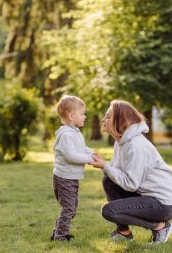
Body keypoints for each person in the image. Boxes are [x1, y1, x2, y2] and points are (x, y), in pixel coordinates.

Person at [90, 100, 172, 245]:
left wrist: (105, 167)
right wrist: (105, 165)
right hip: (147, 196)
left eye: (108, 116)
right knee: (109, 181)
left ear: (120, 120)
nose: (103, 119)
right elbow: (117, 175)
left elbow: (131, 184)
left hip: (164, 204)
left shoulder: (136, 145)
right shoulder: (121, 142)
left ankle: (160, 227)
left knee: (109, 211)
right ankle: (123, 233)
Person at [50, 95, 95, 242]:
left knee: (72, 208)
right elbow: (71, 155)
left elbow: (81, 148)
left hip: (71, 178)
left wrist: (91, 153)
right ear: (71, 116)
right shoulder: (66, 135)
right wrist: (88, 159)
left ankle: (58, 231)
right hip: (64, 179)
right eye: (82, 114)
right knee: (69, 208)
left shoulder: (74, 132)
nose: (85, 116)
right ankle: (60, 236)